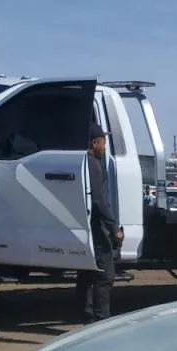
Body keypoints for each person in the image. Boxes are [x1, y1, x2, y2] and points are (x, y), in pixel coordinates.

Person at [75, 123, 124, 322]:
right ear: (94, 143)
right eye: (103, 142)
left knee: (87, 274)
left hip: (86, 224)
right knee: (105, 275)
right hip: (96, 225)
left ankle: (86, 315)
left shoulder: (83, 163)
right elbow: (99, 200)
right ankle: (101, 319)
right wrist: (114, 228)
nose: (105, 146)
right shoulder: (93, 164)